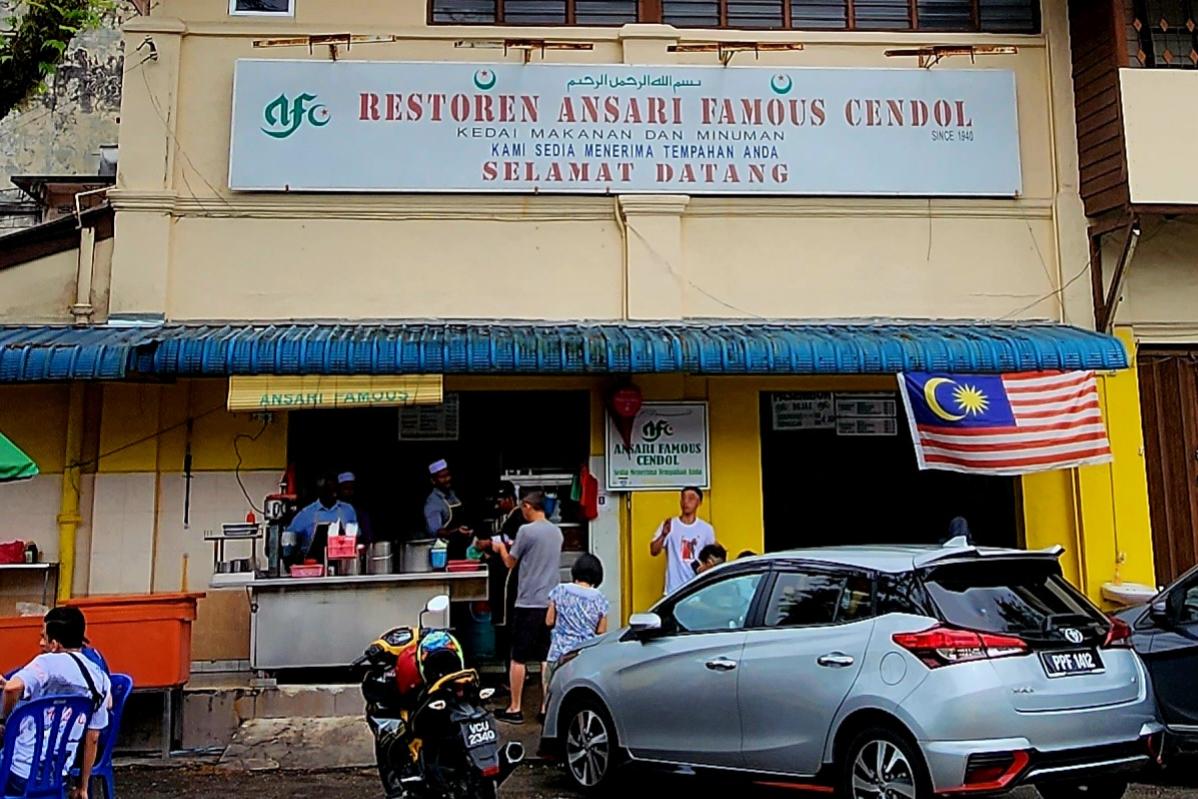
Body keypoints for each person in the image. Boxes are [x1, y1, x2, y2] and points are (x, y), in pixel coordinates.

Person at [0, 607, 112, 799]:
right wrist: (83, 787)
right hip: (56, 776)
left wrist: (5, 719)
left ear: (55, 644)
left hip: (18, 772)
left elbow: (12, 688)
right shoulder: (100, 679)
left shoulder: (46, 662)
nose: (41, 642)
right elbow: (93, 737)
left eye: (44, 637)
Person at [490, 491, 562, 725]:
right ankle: (545, 708)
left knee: (518, 657)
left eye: (523, 508)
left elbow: (510, 562)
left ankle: (515, 708)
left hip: (528, 602)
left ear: (529, 506)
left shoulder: (526, 531)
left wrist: (498, 547)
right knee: (544, 657)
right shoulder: (556, 532)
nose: (522, 512)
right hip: (549, 602)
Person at [543, 554, 609, 717]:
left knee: (552, 691)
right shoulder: (600, 599)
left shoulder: (559, 591)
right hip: (583, 654)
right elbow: (601, 631)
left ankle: (547, 714)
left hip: (558, 652)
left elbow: (549, 621)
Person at [649, 486, 716, 595]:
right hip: (673, 590)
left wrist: (707, 567)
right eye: (683, 498)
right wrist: (663, 535)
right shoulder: (669, 524)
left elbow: (713, 557)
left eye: (691, 498)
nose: (686, 502)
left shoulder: (706, 529)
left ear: (699, 502)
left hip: (698, 589)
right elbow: (653, 551)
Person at [287, 474, 357, 558]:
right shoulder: (306, 513)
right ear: (320, 491)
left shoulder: (348, 509)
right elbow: (289, 538)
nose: (334, 494)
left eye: (335, 490)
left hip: (343, 563)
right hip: (314, 564)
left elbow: (357, 535)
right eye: (329, 490)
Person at [424, 459, 472, 560]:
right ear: (433, 481)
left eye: (448, 475)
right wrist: (456, 532)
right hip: (444, 553)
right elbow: (437, 531)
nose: (447, 479)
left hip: (461, 548)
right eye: (442, 477)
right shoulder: (433, 503)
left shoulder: (452, 495)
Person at [337, 472, 374, 545]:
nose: (349, 492)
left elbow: (368, 536)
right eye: (346, 488)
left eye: (351, 488)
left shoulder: (361, 511)